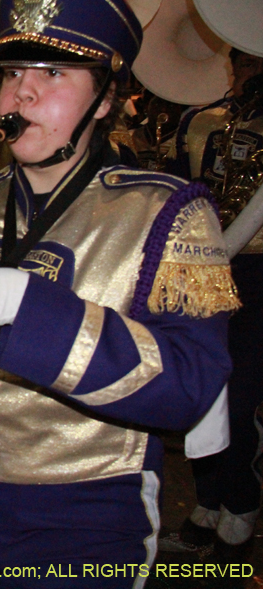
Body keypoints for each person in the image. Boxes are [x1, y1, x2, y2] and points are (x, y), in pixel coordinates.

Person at [0, 0, 237, 586]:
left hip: (85, 514)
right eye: (13, 72)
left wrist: (26, 306)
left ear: (107, 97)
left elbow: (191, 383)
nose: (22, 93)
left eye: (54, 71)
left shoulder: (167, 211)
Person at [167, 47, 263, 561]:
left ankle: (243, 502)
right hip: (206, 265)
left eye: (254, 63)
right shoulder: (203, 122)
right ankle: (208, 499)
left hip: (257, 271)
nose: (246, 73)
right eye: (240, 63)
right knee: (202, 384)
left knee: (243, 392)